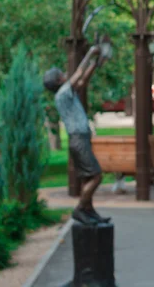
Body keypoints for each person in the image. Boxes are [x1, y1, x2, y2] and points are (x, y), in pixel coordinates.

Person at [43, 36, 113, 225]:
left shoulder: (66, 94)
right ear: (59, 80)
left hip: (79, 139)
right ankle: (81, 208)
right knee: (97, 176)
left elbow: (83, 80)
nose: (67, 74)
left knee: (88, 178)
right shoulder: (63, 93)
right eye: (63, 74)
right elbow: (78, 74)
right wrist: (90, 53)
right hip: (79, 139)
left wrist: (95, 64)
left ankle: (89, 211)